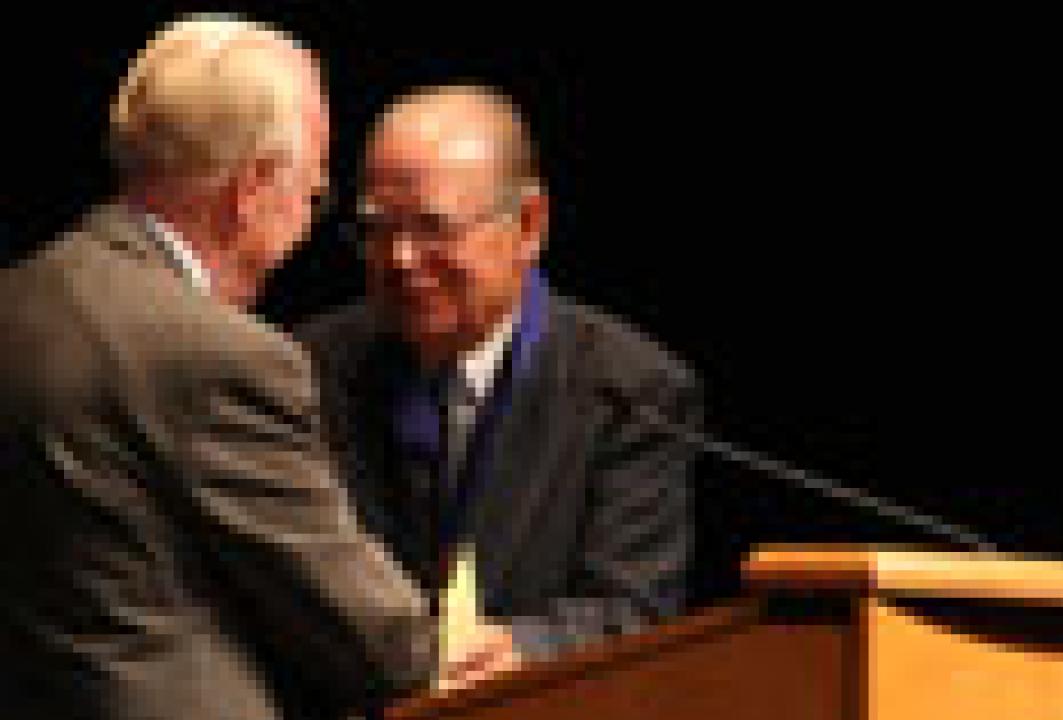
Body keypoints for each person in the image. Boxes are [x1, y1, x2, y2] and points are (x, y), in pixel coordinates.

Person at [0, 16, 438, 720]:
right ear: (253, 188)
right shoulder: (221, 357)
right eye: (313, 193)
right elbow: (383, 648)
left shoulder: (18, 304)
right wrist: (444, 642)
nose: (306, 220)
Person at [298, 84, 700, 691]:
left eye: (434, 228)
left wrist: (524, 647)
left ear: (530, 226)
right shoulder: (304, 368)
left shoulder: (632, 389)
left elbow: (634, 608)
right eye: (378, 229)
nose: (402, 259)